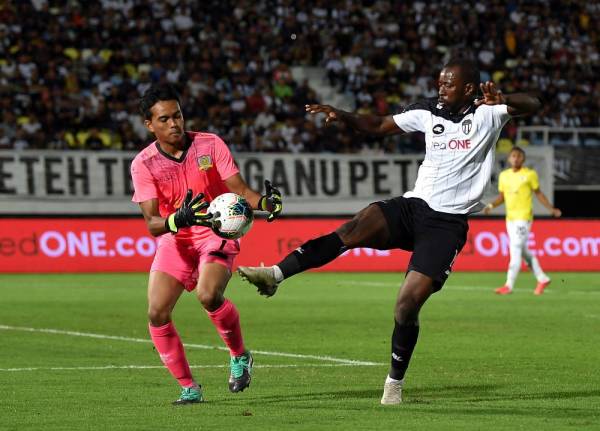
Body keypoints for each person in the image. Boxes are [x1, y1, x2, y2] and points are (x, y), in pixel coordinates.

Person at [238, 58, 541, 405]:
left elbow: (534, 104)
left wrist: (504, 98)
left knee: (406, 304)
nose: (440, 88)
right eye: (439, 82)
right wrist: (344, 115)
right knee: (354, 227)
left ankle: (394, 384)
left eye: (448, 83)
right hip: (415, 206)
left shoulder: (489, 112)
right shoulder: (428, 110)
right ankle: (275, 274)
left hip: (447, 223)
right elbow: (380, 124)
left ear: (468, 88)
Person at [130, 84, 282, 405]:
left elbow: (239, 190)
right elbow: (153, 223)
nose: (174, 124)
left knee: (208, 294)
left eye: (178, 115)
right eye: (164, 119)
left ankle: (239, 355)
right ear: (149, 124)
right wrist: (179, 220)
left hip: (216, 231)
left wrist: (265, 202)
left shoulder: (209, 144)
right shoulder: (143, 164)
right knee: (157, 313)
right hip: (176, 238)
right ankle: (189, 387)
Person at [483, 146, 561, 295]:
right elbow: (502, 197)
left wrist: (551, 209)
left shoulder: (530, 174)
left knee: (516, 247)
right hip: (510, 218)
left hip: (524, 217)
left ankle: (509, 285)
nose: (516, 158)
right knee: (524, 251)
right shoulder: (504, 176)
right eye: (513, 156)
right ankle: (542, 278)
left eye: (519, 156)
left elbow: (539, 194)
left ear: (523, 159)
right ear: (509, 159)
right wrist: (491, 205)